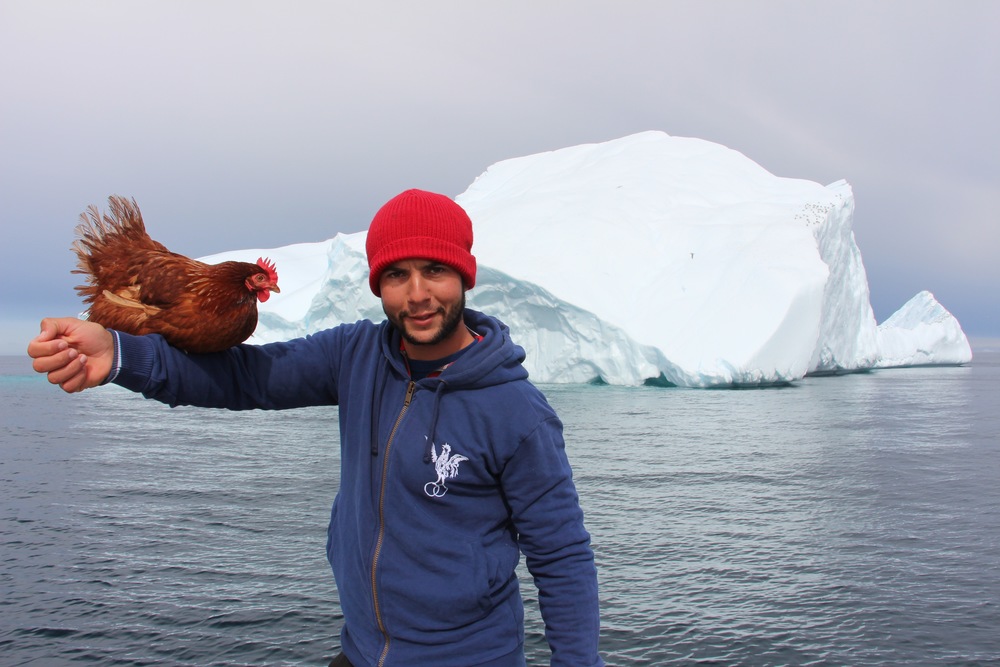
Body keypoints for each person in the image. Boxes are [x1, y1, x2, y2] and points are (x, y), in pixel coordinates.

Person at [28, 189, 604, 667]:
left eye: (435, 271)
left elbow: (561, 555)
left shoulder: (517, 411)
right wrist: (122, 355)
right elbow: (247, 379)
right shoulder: (355, 355)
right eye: (397, 275)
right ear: (379, 285)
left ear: (464, 277)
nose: (418, 293)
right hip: (359, 652)